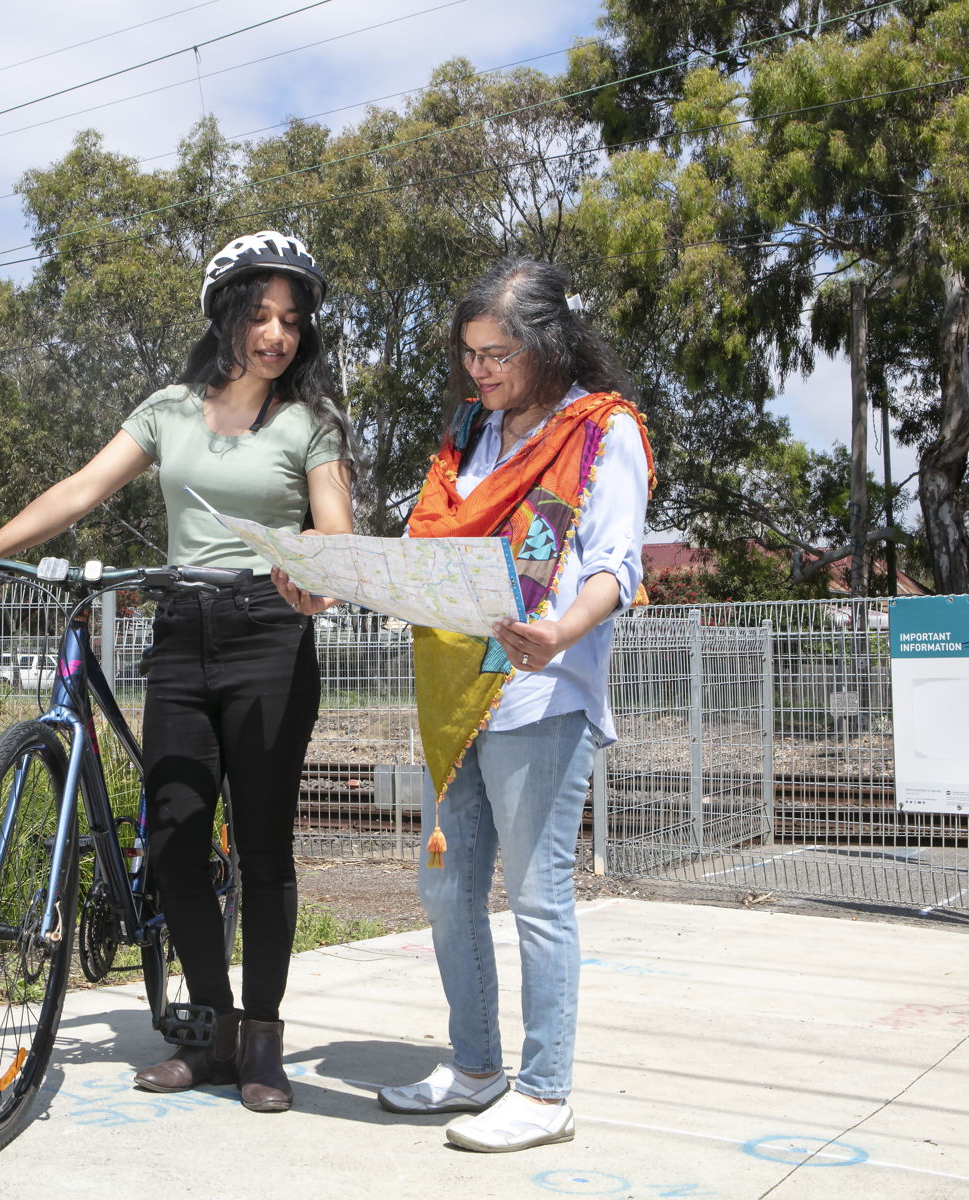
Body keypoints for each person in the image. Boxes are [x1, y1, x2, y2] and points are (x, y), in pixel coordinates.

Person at [0, 231, 354, 1114]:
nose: (277, 334)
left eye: (291, 320)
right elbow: (82, 489)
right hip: (179, 631)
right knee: (173, 836)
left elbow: (336, 533)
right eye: (261, 316)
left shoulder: (310, 425)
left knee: (266, 847)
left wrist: (313, 570)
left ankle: (262, 1043)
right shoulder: (168, 410)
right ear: (227, 318)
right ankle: (207, 1032)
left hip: (270, 635)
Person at [375, 257, 653, 1152]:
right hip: (456, 697)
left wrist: (563, 631)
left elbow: (617, 562)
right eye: (470, 355)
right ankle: (475, 1068)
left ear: (547, 344)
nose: (481, 370)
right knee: (448, 892)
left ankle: (545, 1091)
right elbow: (429, 547)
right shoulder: (468, 434)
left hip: (539, 693)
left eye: (497, 353)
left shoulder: (604, 433)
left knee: (538, 899)